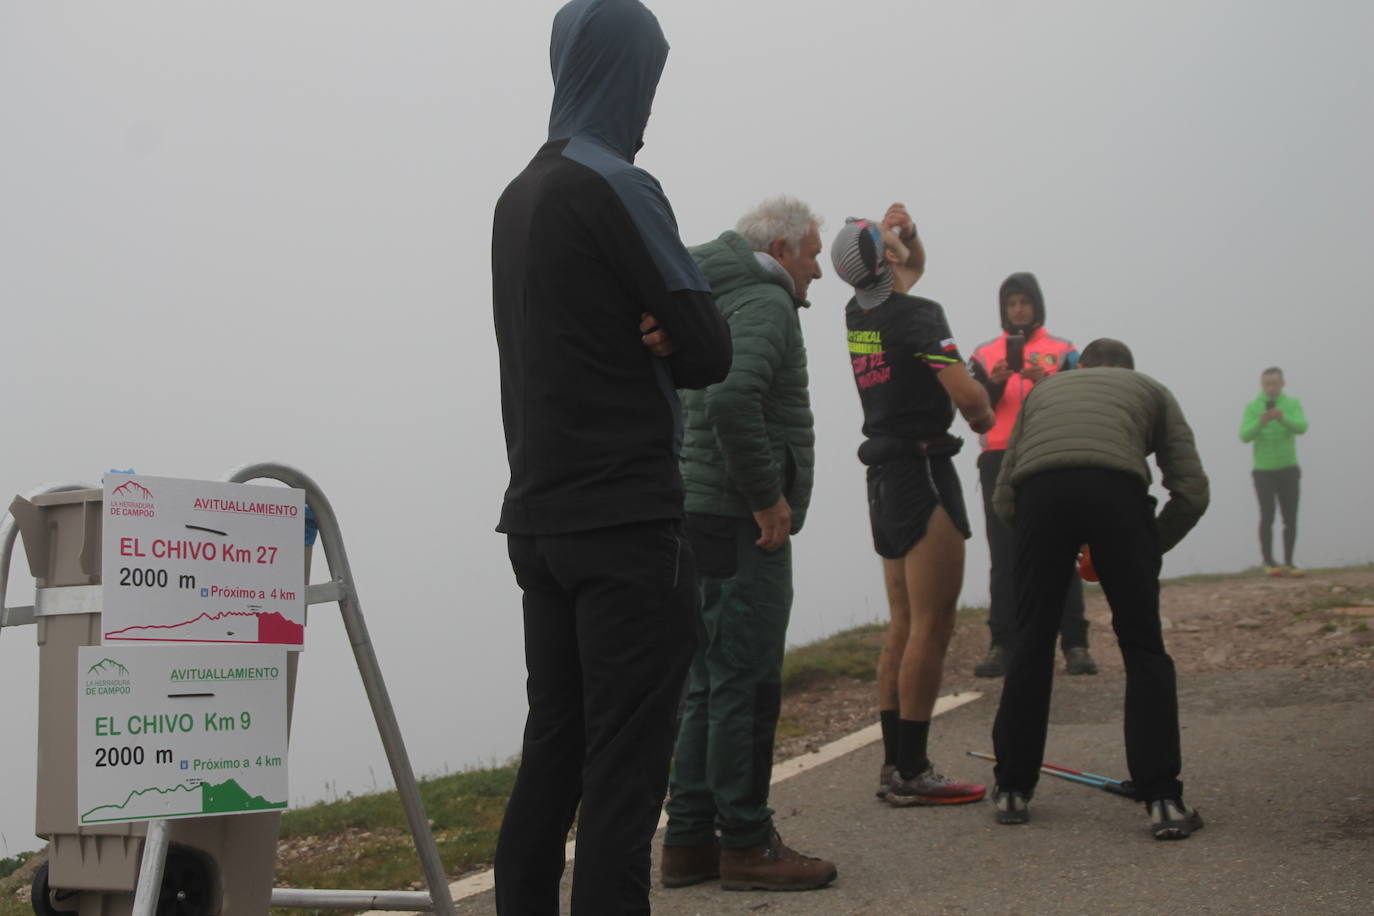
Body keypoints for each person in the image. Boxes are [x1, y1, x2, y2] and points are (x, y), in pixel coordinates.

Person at [489, 2, 733, 913]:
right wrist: (668, 332)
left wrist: (662, 328)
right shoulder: (620, 184)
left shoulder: (517, 197)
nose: (649, 99)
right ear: (626, 73)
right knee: (625, 782)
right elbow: (710, 348)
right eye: (648, 76)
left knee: (554, 753)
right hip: (628, 522)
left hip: (539, 519)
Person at [661, 196, 838, 893]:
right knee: (747, 681)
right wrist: (768, 497)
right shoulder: (765, 303)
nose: (819, 272)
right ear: (786, 249)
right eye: (815, 256)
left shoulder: (711, 294)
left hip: (697, 509)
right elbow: (734, 399)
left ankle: (687, 843)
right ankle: (745, 842)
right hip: (741, 518)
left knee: (708, 681)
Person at [989, 338, 1210, 840]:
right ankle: (1163, 802)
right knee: (1142, 645)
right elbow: (1192, 490)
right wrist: (1146, 547)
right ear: (1129, 371)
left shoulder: (1045, 392)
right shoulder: (1151, 389)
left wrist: (1046, 547)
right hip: (1118, 493)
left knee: (1032, 642)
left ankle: (1012, 790)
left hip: (1040, 497)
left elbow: (1006, 495)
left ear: (1079, 366)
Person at [830, 206, 996, 808]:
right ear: (888, 260)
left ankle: (894, 766)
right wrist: (984, 406)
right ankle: (914, 769)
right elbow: (967, 397)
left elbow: (909, 266)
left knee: (904, 621)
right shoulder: (919, 315)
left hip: (883, 473)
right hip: (925, 468)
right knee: (934, 622)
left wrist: (907, 236)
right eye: (893, 240)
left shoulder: (861, 311)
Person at [968, 273, 1096, 678]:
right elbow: (974, 412)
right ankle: (1002, 645)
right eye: (1011, 303)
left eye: (1025, 302)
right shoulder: (985, 355)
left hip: (1050, 456)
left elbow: (1083, 401)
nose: (1018, 310)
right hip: (998, 460)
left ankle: (1075, 644)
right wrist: (994, 383)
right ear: (1003, 309)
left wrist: (1051, 382)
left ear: (1037, 305)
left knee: (1060, 550)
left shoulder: (1063, 352)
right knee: (1004, 557)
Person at [1239, 367, 1308, 577]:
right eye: (1267, 384)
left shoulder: (1292, 404)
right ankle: (1269, 562)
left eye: (1275, 383)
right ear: (1262, 385)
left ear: (1282, 384)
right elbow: (1244, 435)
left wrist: (1282, 417)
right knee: (1267, 516)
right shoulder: (1252, 407)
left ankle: (1289, 562)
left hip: (1289, 468)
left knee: (1290, 517)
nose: (1271, 388)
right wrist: (1261, 421)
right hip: (1263, 471)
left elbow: (1302, 427)